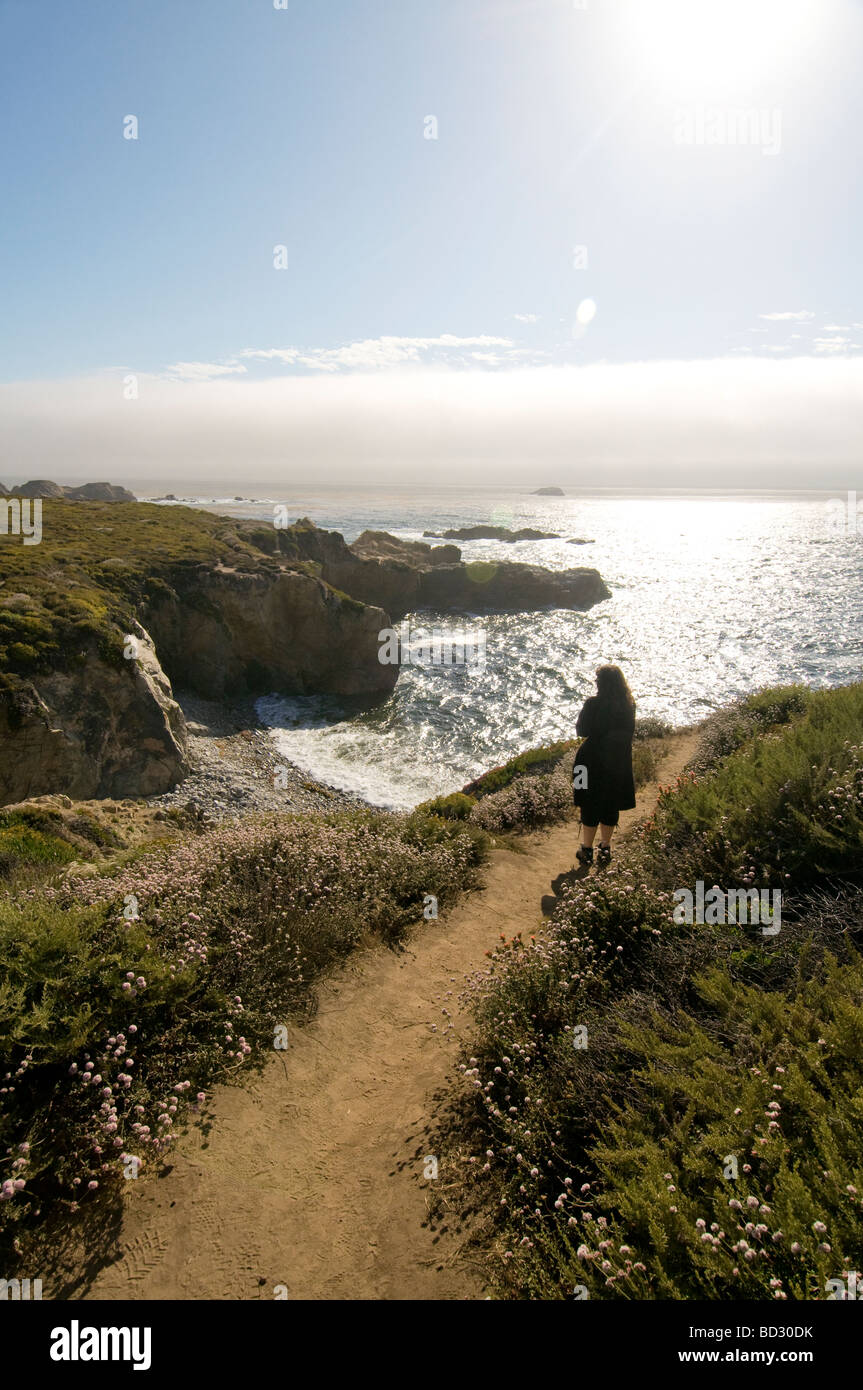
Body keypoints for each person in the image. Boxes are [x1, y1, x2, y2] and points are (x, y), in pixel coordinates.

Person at [572, 664, 636, 867]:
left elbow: (581, 730)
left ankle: (587, 849)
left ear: (601, 683)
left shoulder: (592, 704)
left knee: (586, 800)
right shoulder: (629, 705)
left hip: (586, 762)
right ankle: (606, 847)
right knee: (611, 804)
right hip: (618, 762)